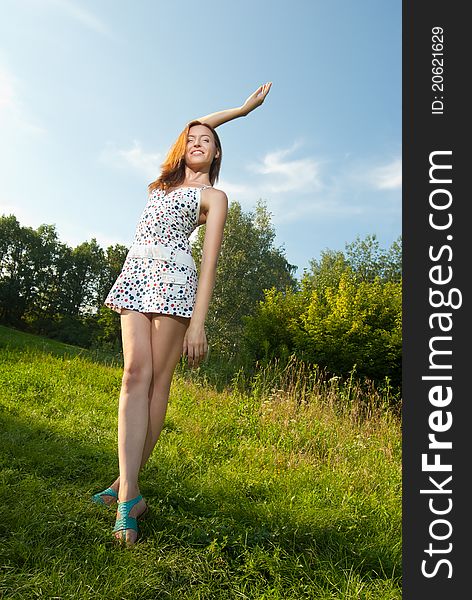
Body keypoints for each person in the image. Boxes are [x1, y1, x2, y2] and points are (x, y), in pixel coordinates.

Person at [92, 82, 272, 545]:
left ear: (215, 156)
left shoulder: (215, 197)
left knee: (156, 382)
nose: (197, 141)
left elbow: (209, 264)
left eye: (206, 141)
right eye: (192, 138)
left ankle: (123, 492)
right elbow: (196, 123)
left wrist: (199, 321)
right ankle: (128, 491)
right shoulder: (166, 182)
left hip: (175, 280)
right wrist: (239, 110)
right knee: (134, 373)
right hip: (135, 272)